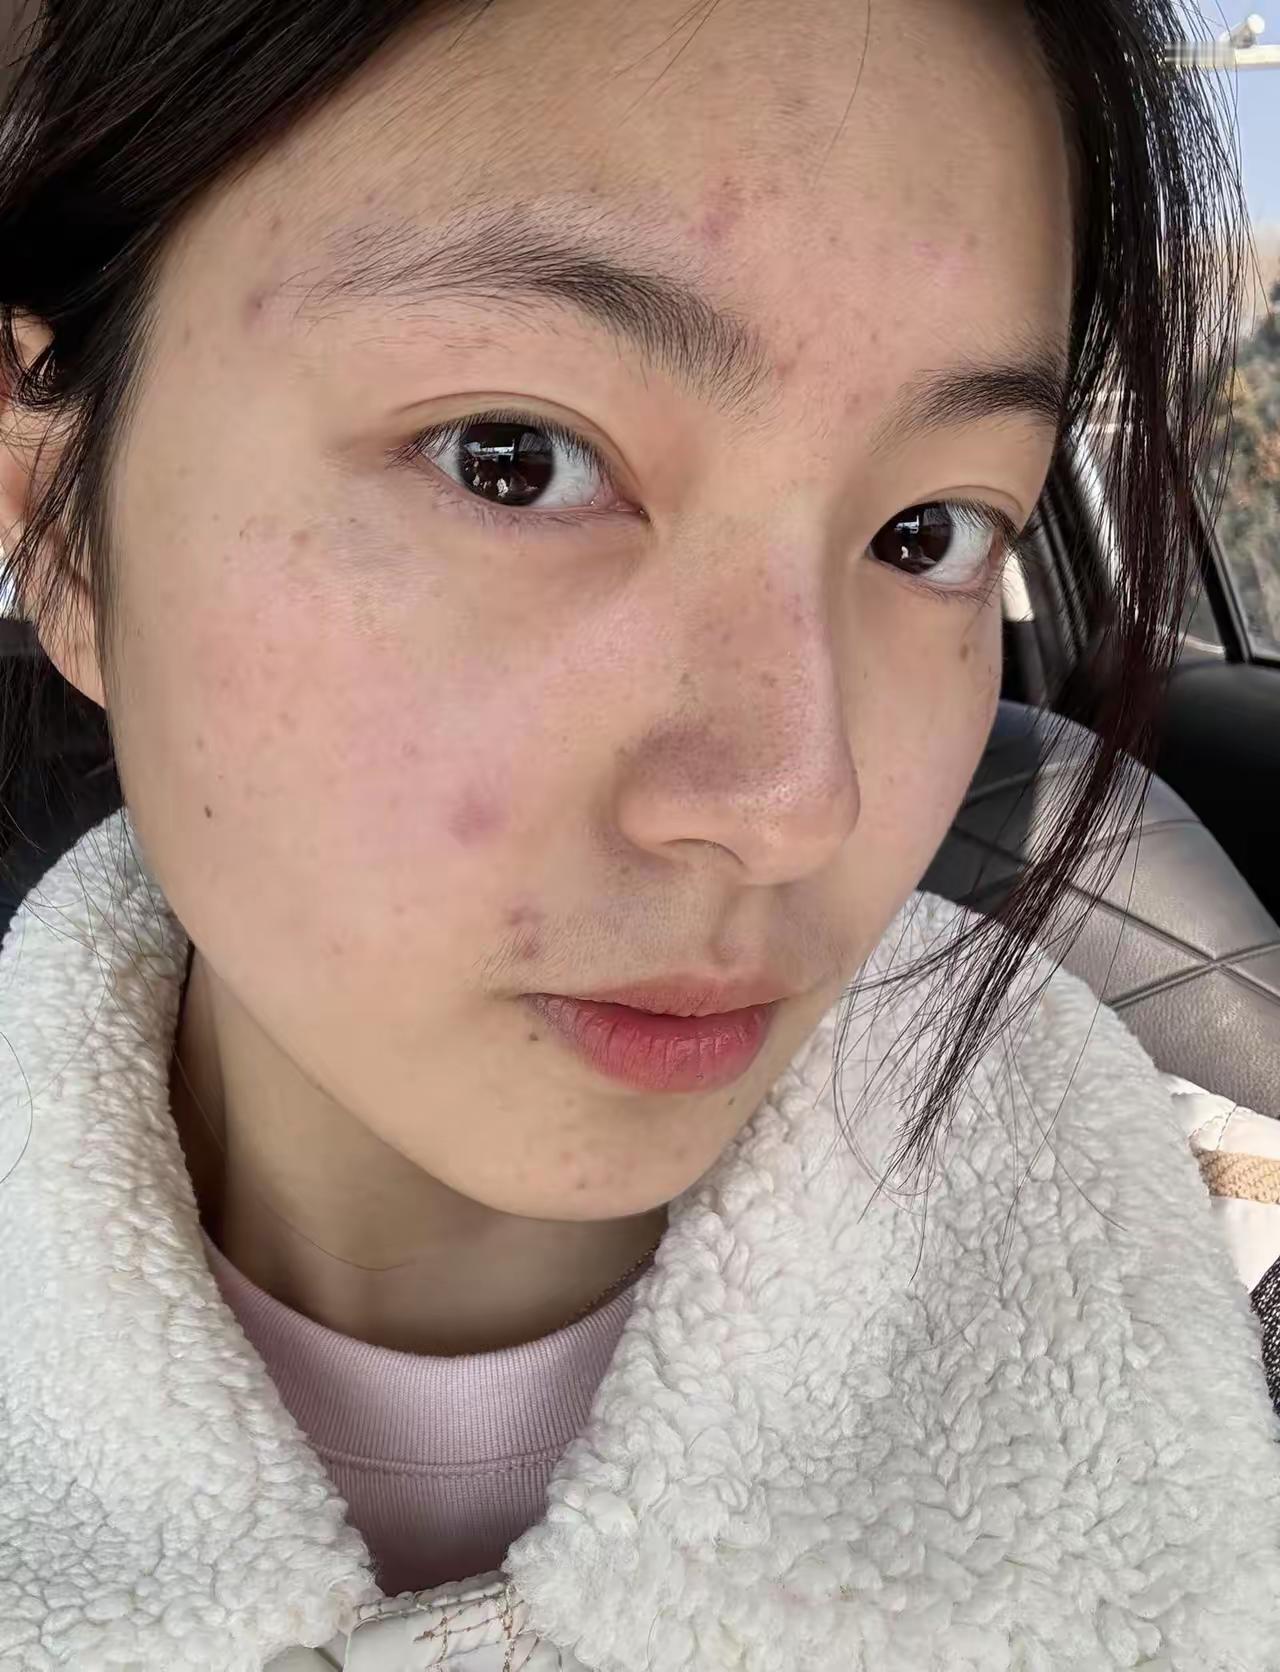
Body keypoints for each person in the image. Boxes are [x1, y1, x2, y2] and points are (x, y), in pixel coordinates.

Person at [0, 1, 1276, 1667]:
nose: (793, 801)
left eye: (927, 532)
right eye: (512, 461)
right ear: (59, 527)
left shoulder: (1225, 1286)